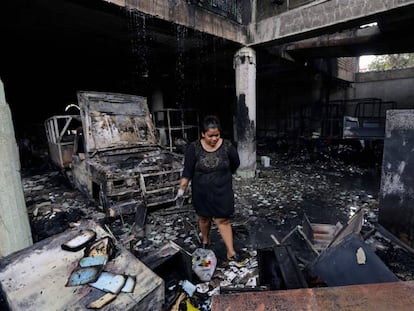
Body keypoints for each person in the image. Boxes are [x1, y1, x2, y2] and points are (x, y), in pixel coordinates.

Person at [175, 115, 244, 263]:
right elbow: (187, 171)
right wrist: (182, 189)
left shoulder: (227, 146)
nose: (214, 139)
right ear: (203, 134)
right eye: (210, 136)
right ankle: (205, 241)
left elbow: (235, 163)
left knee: (223, 220)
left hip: (222, 190)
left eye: (216, 135)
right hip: (201, 191)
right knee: (204, 218)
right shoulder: (193, 148)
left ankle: (230, 252)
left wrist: (223, 175)